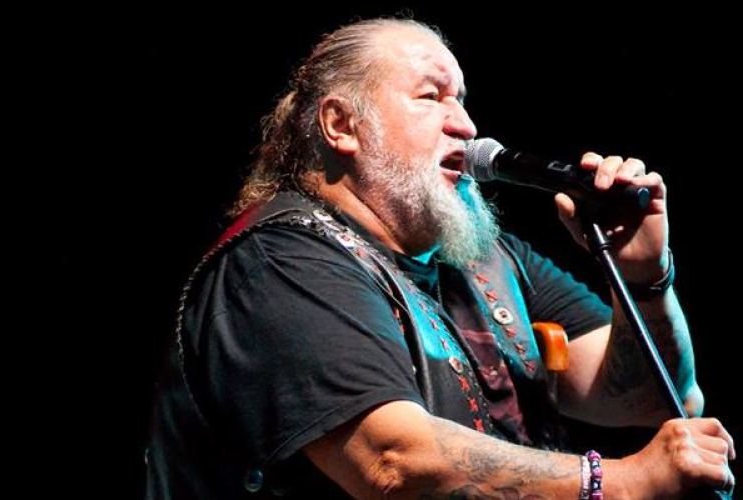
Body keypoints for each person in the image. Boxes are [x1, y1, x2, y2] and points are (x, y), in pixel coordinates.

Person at [145, 17, 735, 500]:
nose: (467, 126)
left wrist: (645, 275)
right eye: (431, 97)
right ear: (341, 125)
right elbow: (392, 461)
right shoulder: (278, 263)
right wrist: (620, 482)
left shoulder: (487, 260)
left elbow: (655, 399)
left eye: (463, 101)